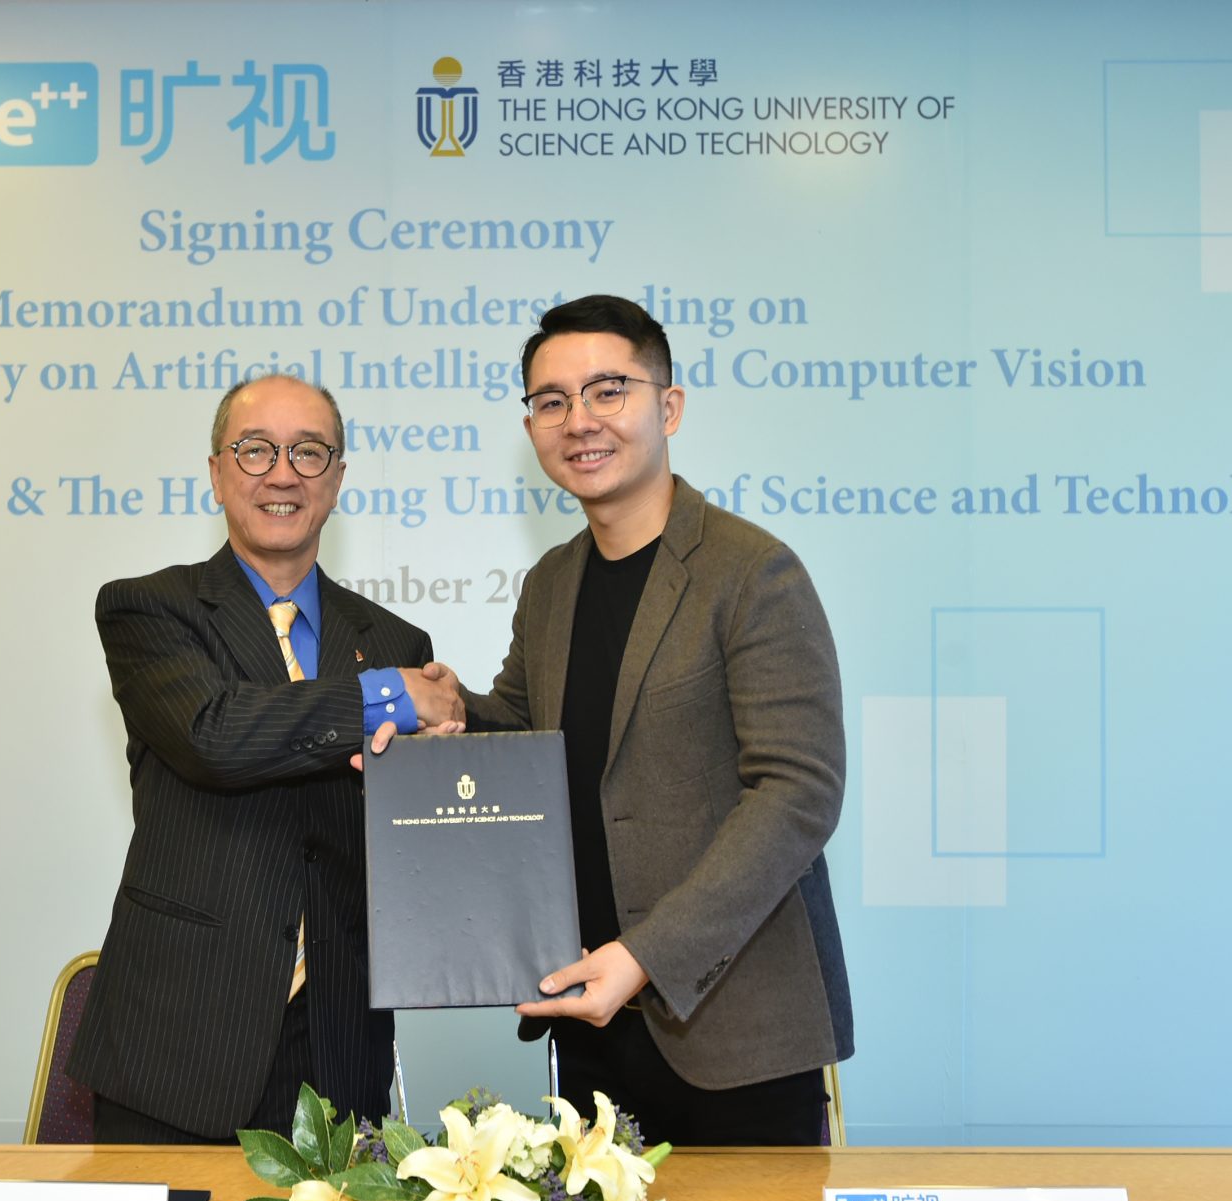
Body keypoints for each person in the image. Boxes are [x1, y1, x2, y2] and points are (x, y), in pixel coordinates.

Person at [463, 295, 853, 1146]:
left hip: (736, 1033)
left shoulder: (753, 571)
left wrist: (642, 956)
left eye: (608, 391)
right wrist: (443, 714)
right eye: (551, 401)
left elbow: (799, 791)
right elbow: (524, 738)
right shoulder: (552, 583)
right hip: (590, 1029)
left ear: (667, 406)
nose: (579, 421)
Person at [68, 374, 463, 1144]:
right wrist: (387, 699)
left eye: (309, 452)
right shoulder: (149, 609)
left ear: (339, 479)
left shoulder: (395, 645)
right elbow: (215, 732)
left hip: (336, 1048)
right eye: (256, 450)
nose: (283, 473)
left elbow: (408, 851)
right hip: (176, 1044)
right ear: (217, 471)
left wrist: (440, 757)